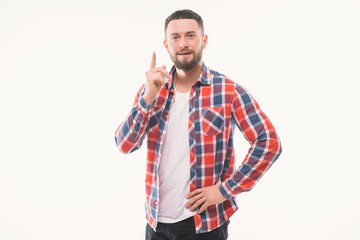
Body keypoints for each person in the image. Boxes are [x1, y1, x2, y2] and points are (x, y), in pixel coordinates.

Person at [115, 9, 282, 240]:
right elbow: (124, 144)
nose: (183, 43)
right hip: (156, 225)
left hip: (205, 226)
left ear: (203, 40)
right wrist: (147, 99)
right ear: (166, 44)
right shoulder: (152, 90)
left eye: (190, 35)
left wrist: (224, 190)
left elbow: (269, 143)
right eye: (175, 37)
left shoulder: (228, 91)